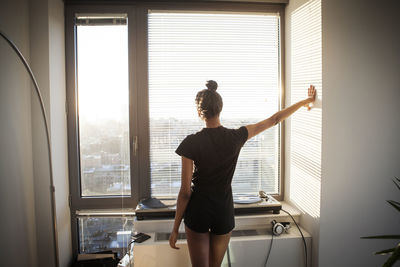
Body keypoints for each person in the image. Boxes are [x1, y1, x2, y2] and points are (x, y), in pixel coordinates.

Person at [169, 80, 316, 267]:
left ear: (199, 112)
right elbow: (274, 120)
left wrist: (175, 229)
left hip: (199, 210)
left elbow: (185, 191)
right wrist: (304, 102)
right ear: (220, 109)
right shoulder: (236, 137)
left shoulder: (191, 142)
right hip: (223, 210)